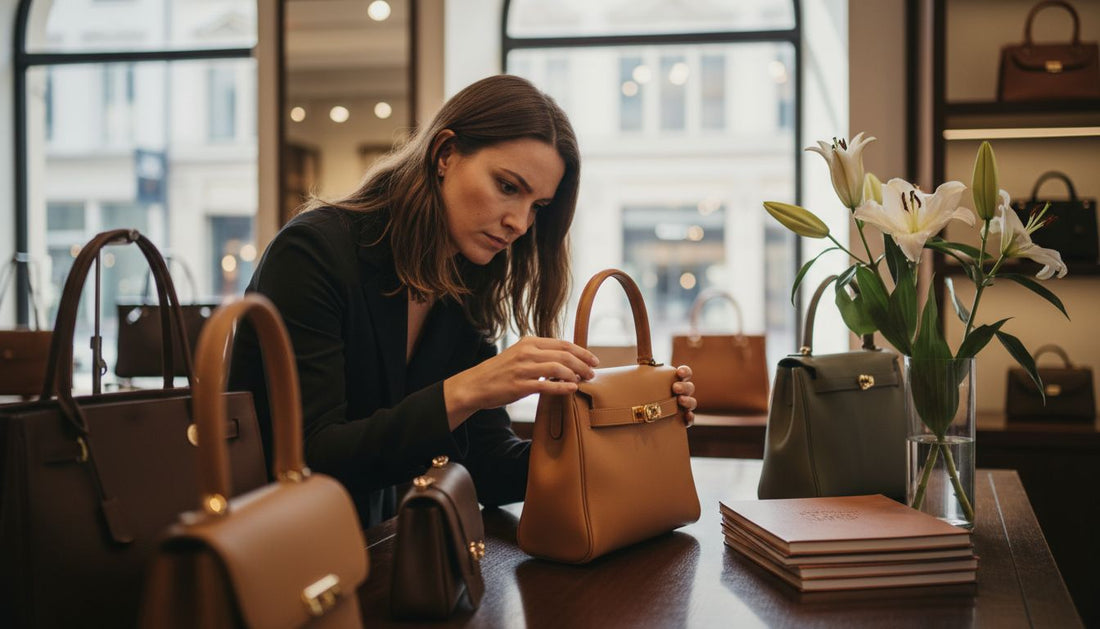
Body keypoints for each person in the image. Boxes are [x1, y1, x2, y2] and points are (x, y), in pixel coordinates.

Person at [229, 75, 697, 528]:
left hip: (369, 551)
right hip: (275, 560)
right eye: (508, 186)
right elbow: (313, 459)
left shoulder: (461, 284)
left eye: (537, 206)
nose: (519, 222)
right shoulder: (314, 254)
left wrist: (630, 429)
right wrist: (470, 389)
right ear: (445, 154)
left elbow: (488, 468)